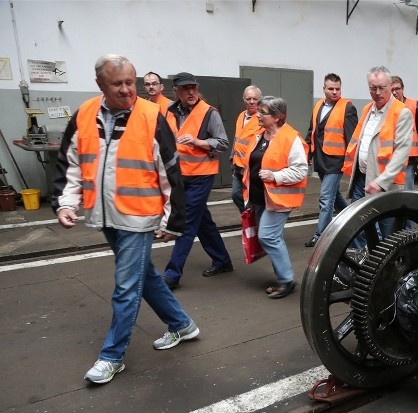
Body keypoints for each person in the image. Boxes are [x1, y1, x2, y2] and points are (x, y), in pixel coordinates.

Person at [53, 54, 198, 385]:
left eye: (130, 82)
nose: (126, 90)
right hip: (105, 214)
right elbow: (71, 162)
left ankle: (112, 356)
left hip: (139, 217)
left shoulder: (151, 116)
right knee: (144, 276)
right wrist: (66, 203)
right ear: (100, 85)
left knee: (126, 286)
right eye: (117, 84)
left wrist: (172, 219)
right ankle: (182, 325)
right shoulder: (85, 114)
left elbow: (170, 170)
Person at [162, 72, 232, 289]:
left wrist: (198, 142)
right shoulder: (170, 112)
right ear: (176, 91)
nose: (191, 92)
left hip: (202, 175)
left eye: (193, 87)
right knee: (202, 220)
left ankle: (172, 274)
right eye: (185, 89)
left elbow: (222, 143)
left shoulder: (209, 113)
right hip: (180, 176)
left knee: (187, 222)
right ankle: (222, 260)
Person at [242, 96, 309, 299]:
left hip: (279, 200)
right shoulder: (260, 136)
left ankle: (286, 280)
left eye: (263, 112)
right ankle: (282, 278)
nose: (258, 115)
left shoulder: (291, 138)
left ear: (278, 117)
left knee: (268, 236)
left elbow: (300, 170)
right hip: (261, 198)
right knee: (273, 238)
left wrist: (275, 176)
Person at [342, 66, 413, 240]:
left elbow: (402, 152)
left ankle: (388, 266)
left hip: (385, 185)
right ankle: (370, 262)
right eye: (373, 88)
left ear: (391, 86)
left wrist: (381, 182)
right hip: (362, 179)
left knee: (388, 233)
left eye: (382, 87)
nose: (378, 92)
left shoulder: (402, 113)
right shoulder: (367, 109)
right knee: (362, 226)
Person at [304, 73, 357, 247]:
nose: (335, 92)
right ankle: (351, 219)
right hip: (320, 158)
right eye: (331, 89)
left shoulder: (347, 107)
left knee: (326, 198)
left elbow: (352, 137)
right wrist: (308, 152)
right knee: (334, 195)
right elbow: (312, 129)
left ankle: (321, 236)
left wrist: (350, 161)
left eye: (337, 89)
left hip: (336, 160)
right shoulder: (318, 105)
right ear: (324, 89)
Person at [390, 75, 418, 192]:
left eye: (397, 89)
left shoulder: (414, 106)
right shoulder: (387, 108)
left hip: (409, 160)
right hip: (390, 158)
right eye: (392, 90)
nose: (394, 92)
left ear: (403, 89)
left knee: (407, 192)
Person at [230, 85, 263, 212]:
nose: (252, 102)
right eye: (248, 99)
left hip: (251, 169)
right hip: (238, 167)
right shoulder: (241, 116)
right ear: (244, 100)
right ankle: (249, 218)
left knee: (252, 199)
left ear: (260, 99)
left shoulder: (261, 118)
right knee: (236, 195)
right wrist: (232, 159)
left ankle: (253, 222)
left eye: (255, 99)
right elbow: (237, 139)